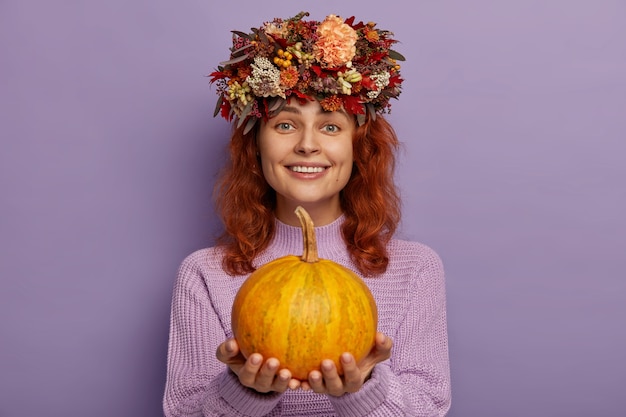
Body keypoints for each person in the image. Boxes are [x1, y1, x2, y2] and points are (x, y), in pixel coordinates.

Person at [163, 11, 451, 416]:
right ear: (256, 146)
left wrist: (363, 389)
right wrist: (245, 392)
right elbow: (184, 412)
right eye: (285, 125)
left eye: (331, 127)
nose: (307, 146)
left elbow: (430, 408)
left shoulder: (416, 269)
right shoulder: (204, 275)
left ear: (358, 148)